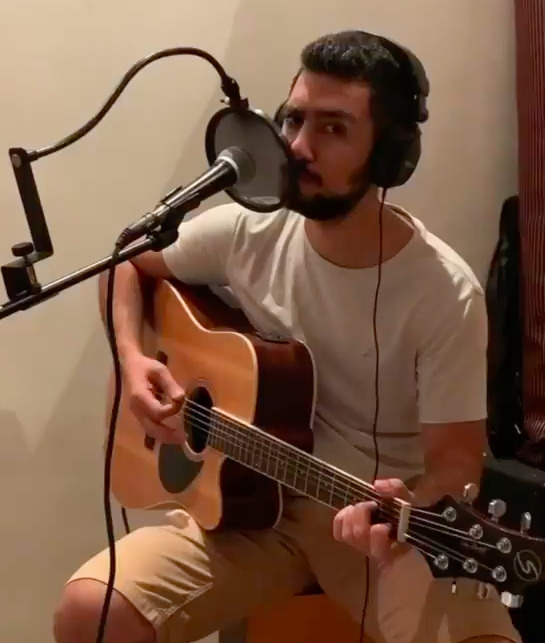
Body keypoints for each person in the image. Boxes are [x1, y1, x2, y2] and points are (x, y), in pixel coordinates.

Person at [53, 30, 521, 643]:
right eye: (294, 119)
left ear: (389, 157)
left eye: (333, 128)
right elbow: (125, 261)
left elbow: (457, 465)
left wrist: (407, 506)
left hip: (378, 525)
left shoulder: (444, 294)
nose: (298, 147)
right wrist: (134, 359)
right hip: (249, 512)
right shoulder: (247, 231)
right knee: (91, 612)